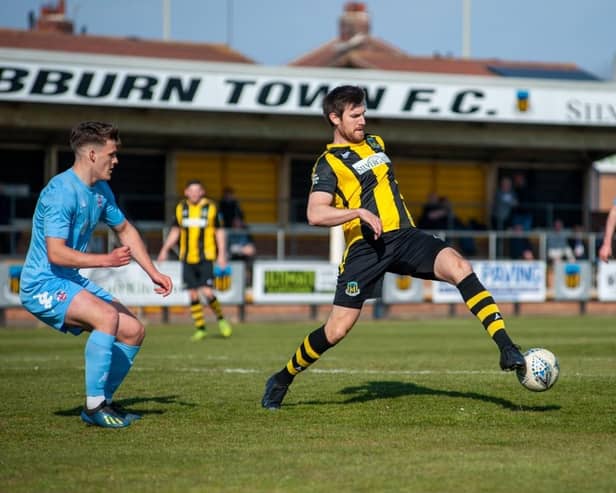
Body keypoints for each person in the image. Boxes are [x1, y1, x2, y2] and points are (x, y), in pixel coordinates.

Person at [261, 85, 525, 410]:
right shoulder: (328, 163)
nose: (363, 120)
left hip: (405, 236)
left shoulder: (376, 143)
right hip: (365, 248)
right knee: (337, 329)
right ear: (334, 118)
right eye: (355, 115)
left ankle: (507, 347)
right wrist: (357, 212)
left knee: (460, 266)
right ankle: (283, 377)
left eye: (364, 113)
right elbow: (315, 213)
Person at [19, 121, 173, 428]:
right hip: (42, 283)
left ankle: (104, 402)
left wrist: (152, 271)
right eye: (112, 154)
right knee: (106, 317)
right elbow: (56, 253)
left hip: (68, 279)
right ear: (92, 154)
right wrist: (107, 260)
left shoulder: (100, 190)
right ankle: (94, 406)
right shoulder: (60, 193)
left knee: (132, 330)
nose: (116, 161)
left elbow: (125, 229)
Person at [157, 180, 232, 340]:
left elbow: (219, 232)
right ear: (186, 192)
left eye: (197, 190)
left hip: (206, 256)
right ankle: (200, 328)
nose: (194, 193)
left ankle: (221, 319)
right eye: (191, 190)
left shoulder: (211, 207)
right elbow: (175, 231)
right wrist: (164, 249)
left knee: (207, 291)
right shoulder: (180, 208)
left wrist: (222, 254)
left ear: (202, 192)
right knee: (192, 294)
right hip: (186, 257)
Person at [227, 216, 257, 286]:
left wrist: (238, 249)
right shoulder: (229, 232)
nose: (237, 223)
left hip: (243, 259)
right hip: (232, 258)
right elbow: (226, 249)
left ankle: (247, 284)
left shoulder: (246, 232)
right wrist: (241, 249)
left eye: (239, 221)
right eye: (235, 222)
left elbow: (251, 250)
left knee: (248, 263)